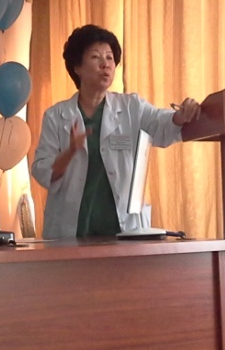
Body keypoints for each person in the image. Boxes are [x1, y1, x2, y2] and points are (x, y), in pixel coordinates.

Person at [31, 24, 201, 239]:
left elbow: (161, 124)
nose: (105, 64)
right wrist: (70, 151)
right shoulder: (56, 116)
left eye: (110, 58)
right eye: (95, 57)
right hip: (71, 229)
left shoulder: (132, 107)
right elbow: (42, 171)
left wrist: (181, 115)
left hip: (122, 228)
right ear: (77, 67)